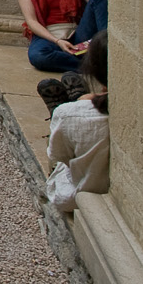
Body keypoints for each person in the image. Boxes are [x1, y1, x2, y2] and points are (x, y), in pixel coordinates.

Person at [46, 39, 109, 212]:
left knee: (62, 146)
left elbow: (58, 155)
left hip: (77, 192)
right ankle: (77, 99)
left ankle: (62, 110)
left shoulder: (69, 114)